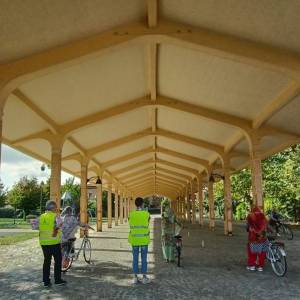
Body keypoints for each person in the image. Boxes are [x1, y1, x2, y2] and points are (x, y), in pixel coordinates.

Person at [39, 200, 66, 287]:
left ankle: (45, 281)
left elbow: (35, 226)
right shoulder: (56, 217)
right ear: (53, 208)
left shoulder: (41, 216)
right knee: (58, 261)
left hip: (43, 243)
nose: (56, 209)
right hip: (54, 242)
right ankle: (57, 280)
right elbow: (60, 226)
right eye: (56, 207)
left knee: (46, 261)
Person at [128, 197, 151, 284]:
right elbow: (147, 222)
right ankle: (144, 277)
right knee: (144, 258)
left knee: (135, 258)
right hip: (144, 239)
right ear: (142, 204)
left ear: (135, 204)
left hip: (134, 239)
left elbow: (130, 223)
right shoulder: (147, 214)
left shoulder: (131, 214)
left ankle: (135, 277)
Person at [246, 206, 268, 272]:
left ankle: (252, 266)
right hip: (262, 237)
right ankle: (260, 267)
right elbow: (266, 225)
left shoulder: (250, 216)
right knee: (262, 253)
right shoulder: (263, 216)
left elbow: (247, 228)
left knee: (252, 252)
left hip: (254, 238)